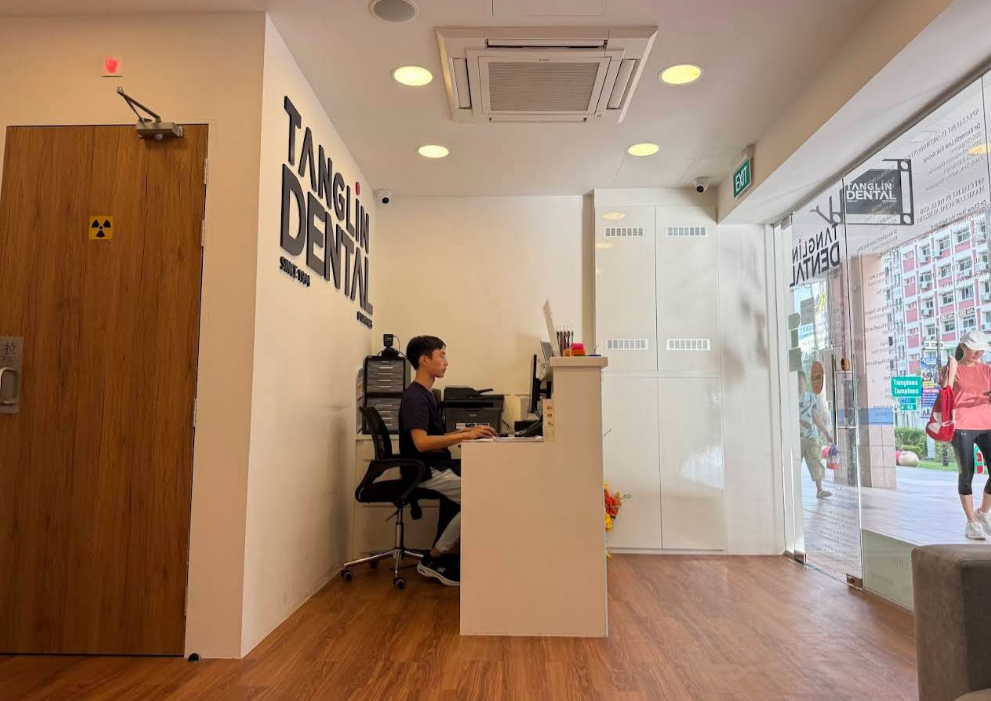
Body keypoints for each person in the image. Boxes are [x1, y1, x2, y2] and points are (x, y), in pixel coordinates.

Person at [398, 335, 496, 586]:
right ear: (424, 360)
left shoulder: (427, 394)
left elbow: (435, 436)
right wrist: (464, 435)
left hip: (434, 466)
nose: (446, 362)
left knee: (481, 488)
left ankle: (445, 556)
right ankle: (433, 558)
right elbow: (421, 442)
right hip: (426, 471)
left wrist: (470, 432)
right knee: (480, 498)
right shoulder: (415, 398)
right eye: (441, 355)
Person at [939, 330, 991, 540]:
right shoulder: (952, 369)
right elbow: (945, 393)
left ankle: (983, 512)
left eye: (981, 349)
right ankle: (971, 522)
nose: (978, 352)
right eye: (974, 348)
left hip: (987, 424)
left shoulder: (987, 370)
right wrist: (951, 372)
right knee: (967, 474)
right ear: (963, 346)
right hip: (961, 425)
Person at [798, 370, 835, 499]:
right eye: (796, 380)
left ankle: (820, 490)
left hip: (812, 436)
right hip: (795, 438)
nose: (799, 383)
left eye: (801, 380)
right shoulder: (790, 398)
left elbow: (816, 416)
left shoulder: (810, 397)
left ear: (804, 381)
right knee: (793, 464)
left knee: (816, 462)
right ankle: (792, 491)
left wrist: (826, 433)